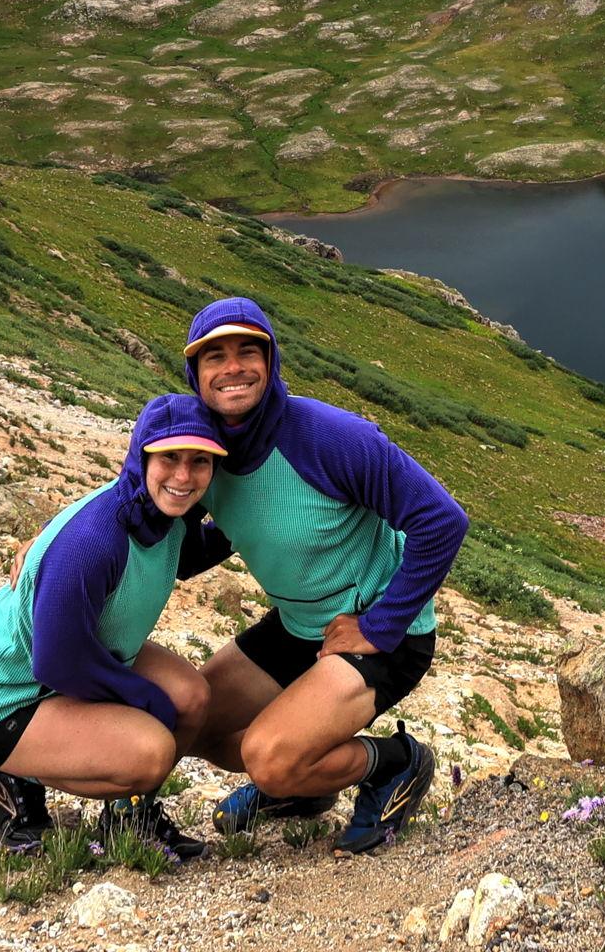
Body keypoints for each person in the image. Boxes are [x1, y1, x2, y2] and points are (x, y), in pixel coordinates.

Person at [182, 296, 468, 854]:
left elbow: (442, 520)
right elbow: (215, 534)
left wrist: (381, 626)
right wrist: (57, 543)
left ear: (272, 361)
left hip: (380, 631)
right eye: (215, 356)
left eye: (249, 351)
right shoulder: (204, 449)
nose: (233, 367)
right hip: (299, 623)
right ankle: (302, 790)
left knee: (268, 756)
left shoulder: (325, 437)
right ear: (195, 373)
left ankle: (394, 764)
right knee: (192, 723)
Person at [0, 393, 230, 860]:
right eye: (169, 458)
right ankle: (7, 770)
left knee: (191, 696)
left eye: (200, 461)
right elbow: (58, 662)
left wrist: (254, 529)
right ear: (141, 456)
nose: (183, 476)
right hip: (4, 696)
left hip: (82, 656)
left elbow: (186, 557)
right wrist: (143, 699)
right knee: (151, 748)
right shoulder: (95, 540)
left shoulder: (162, 512)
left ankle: (130, 818)